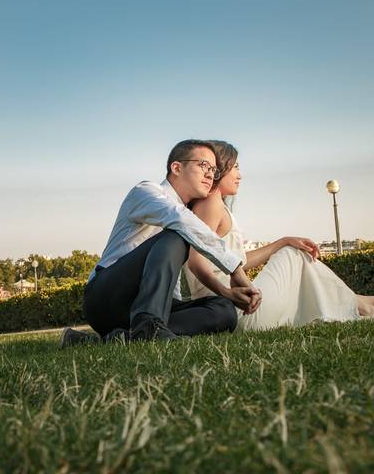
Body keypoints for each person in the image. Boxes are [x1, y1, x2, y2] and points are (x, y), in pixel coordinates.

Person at [183, 141, 374, 330]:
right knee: (293, 254)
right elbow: (195, 260)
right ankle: (368, 306)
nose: (240, 175)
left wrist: (283, 241)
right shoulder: (210, 203)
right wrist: (228, 293)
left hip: (237, 309)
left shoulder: (212, 205)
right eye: (236, 167)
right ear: (220, 168)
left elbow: (235, 262)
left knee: (290, 249)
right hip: (238, 311)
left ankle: (366, 305)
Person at [65, 140, 259, 347]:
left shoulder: (190, 215)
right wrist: (235, 270)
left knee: (223, 311)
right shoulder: (146, 192)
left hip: (151, 306)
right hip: (107, 298)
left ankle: (119, 338)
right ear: (176, 167)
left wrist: (227, 293)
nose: (211, 174)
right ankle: (148, 327)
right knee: (177, 234)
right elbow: (179, 219)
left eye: (213, 169)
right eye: (203, 166)